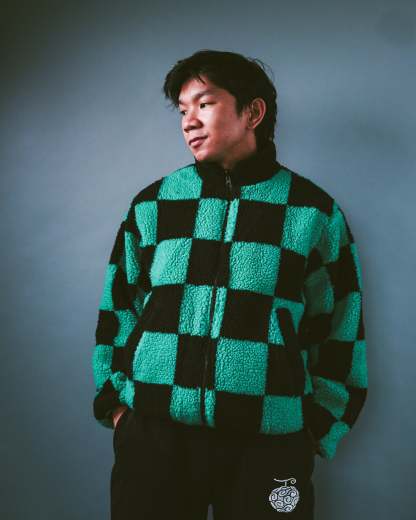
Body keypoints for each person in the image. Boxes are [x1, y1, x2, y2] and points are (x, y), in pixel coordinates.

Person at [92, 49, 368, 519]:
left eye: (205, 104)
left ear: (252, 112)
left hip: (268, 441)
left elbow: (342, 323)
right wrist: (119, 407)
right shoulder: (155, 205)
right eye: (183, 110)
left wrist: (317, 426)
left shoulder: (312, 211)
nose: (189, 122)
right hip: (155, 434)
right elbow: (119, 308)